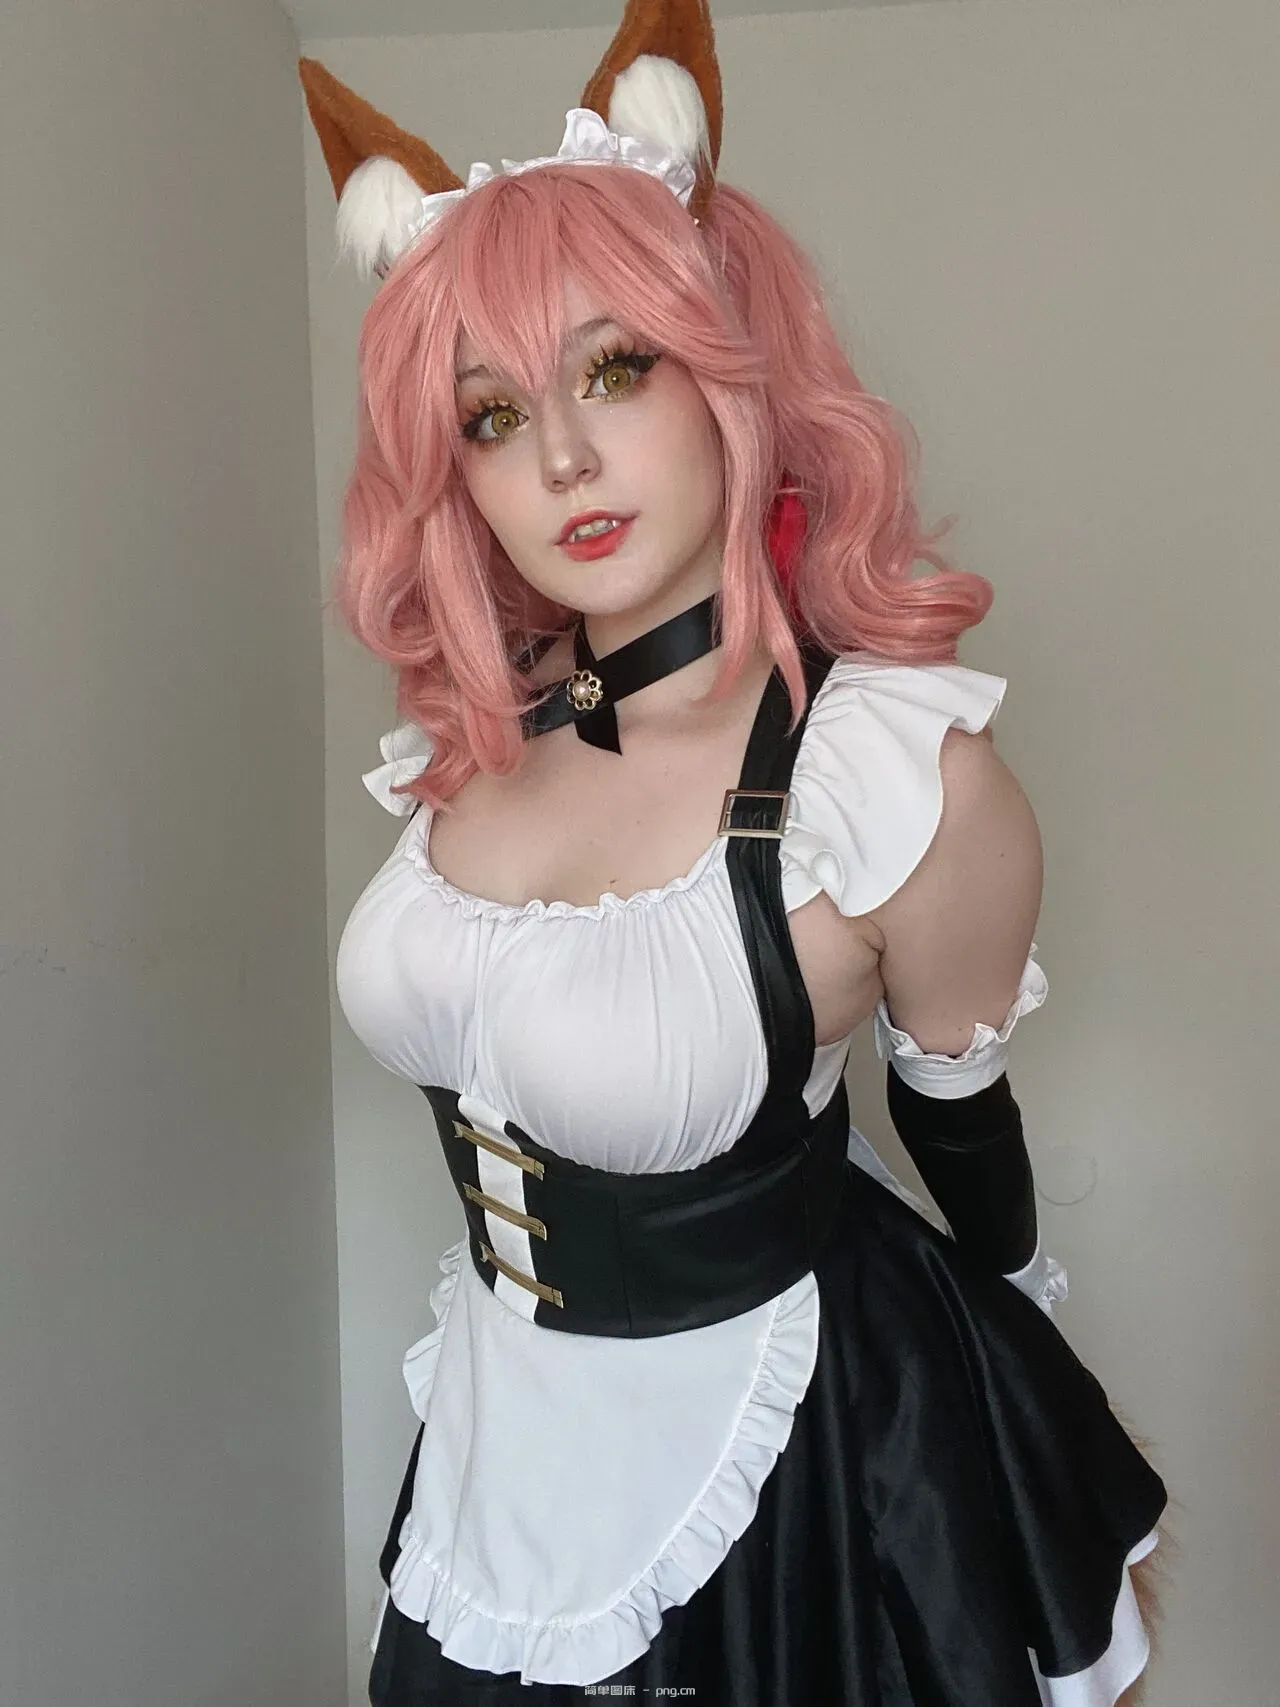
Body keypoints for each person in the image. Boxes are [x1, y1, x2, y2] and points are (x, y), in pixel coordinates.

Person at [305, 3, 1167, 1701]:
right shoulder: (471, 750)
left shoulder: (886, 782)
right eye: (492, 414)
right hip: (492, 1447)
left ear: (732, 370)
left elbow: (958, 1120)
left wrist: (1016, 1418)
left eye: (616, 369)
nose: (562, 456)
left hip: (791, 1467)